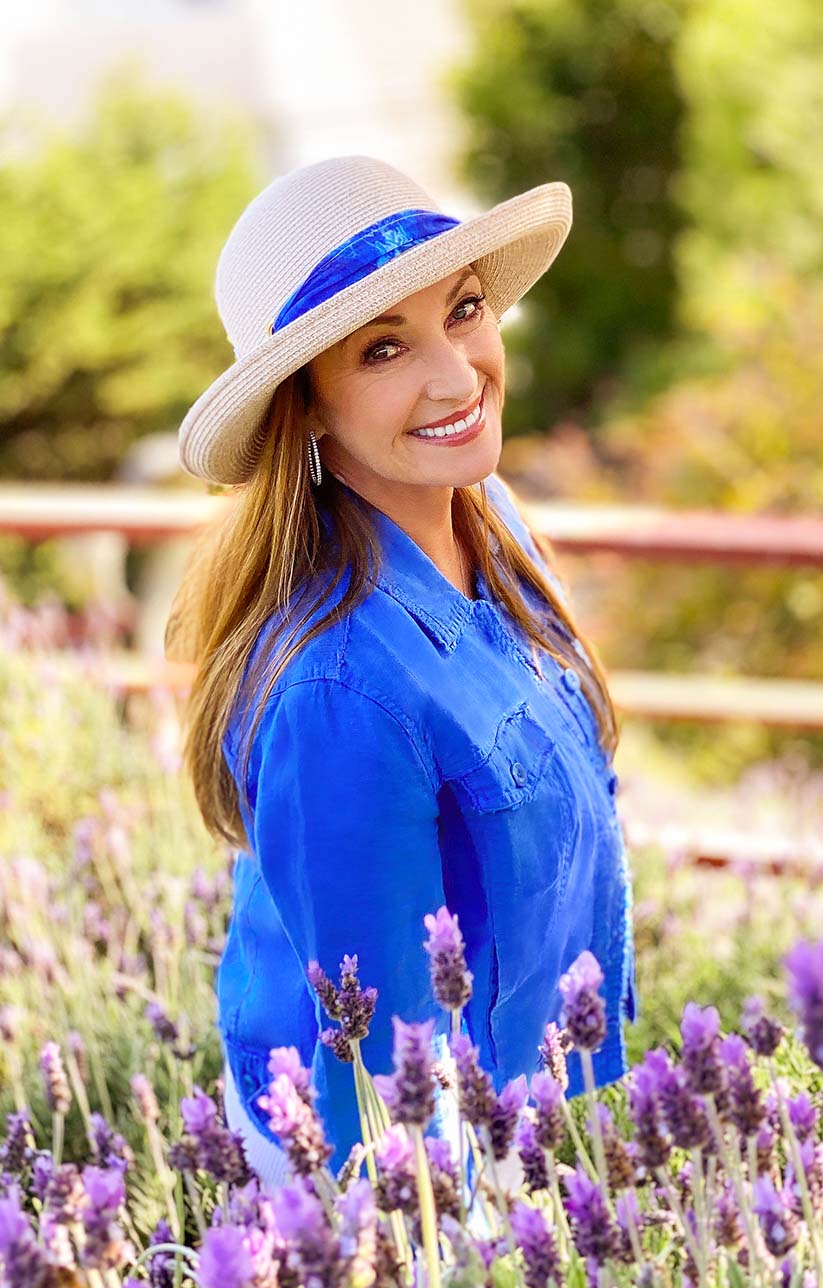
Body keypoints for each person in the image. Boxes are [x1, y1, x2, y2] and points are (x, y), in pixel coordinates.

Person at [166, 154, 637, 1198]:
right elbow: (382, 1078)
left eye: (463, 310)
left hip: (533, 1092)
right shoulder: (340, 690)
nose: (457, 375)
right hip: (403, 1172)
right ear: (310, 408)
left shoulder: (487, 518)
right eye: (384, 348)